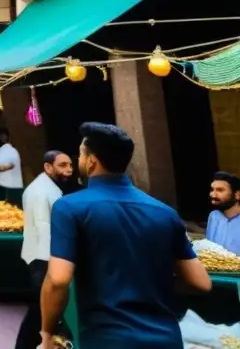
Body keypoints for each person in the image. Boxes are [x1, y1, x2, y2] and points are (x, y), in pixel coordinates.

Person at [39, 122, 212, 349]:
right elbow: (201, 283)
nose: (78, 161)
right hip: (167, 339)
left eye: (81, 155)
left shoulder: (70, 208)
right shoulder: (165, 213)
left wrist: (47, 332)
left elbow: (58, 279)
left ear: (91, 162)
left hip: (108, 339)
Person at [15, 150, 73, 349]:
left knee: (39, 312)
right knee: (41, 311)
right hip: (43, 257)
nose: (69, 170)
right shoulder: (41, 191)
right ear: (48, 167)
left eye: (70, 165)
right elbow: (44, 229)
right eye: (63, 165)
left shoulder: (48, 187)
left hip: (44, 256)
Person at [206, 171, 240, 256]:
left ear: (237, 195)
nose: (213, 195)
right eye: (212, 190)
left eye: (220, 190)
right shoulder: (214, 216)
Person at [0, 128, 24, 206]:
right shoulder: (12, 150)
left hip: (10, 187)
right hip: (13, 186)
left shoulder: (6, 150)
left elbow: (9, 166)